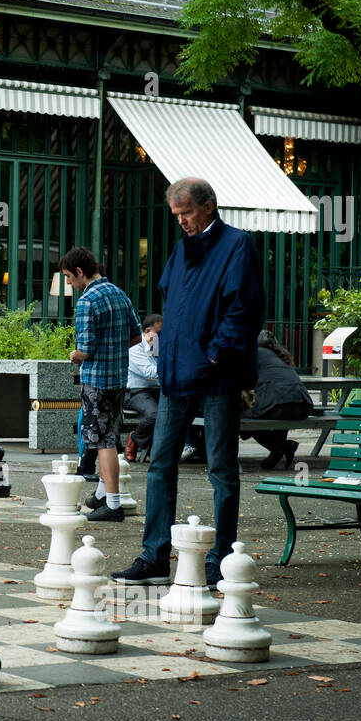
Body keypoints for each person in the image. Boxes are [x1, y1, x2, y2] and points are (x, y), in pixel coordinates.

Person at [113, 177, 265, 588]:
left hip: (218, 375)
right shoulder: (181, 249)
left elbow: (246, 311)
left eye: (188, 213)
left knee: (221, 468)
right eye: (176, 215)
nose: (181, 221)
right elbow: (170, 299)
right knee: (160, 464)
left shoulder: (238, 244)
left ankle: (221, 560)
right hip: (176, 374)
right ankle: (154, 556)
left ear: (209, 205)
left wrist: (215, 353)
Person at [61, 247, 142, 522]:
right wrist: (113, 347)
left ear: (80, 272)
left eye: (69, 277)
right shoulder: (119, 294)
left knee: (103, 440)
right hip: (119, 378)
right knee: (109, 435)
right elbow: (136, 336)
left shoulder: (87, 301)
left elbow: (86, 348)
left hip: (96, 379)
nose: (68, 283)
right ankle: (100, 495)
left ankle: (113, 503)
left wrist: (75, 355)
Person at [243, 329, 313, 469]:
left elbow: (244, 383)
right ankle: (279, 449)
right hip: (304, 405)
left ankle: (280, 447)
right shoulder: (281, 356)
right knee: (274, 410)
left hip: (281, 405)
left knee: (238, 418)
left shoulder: (254, 355)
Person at [125, 313, 162, 462]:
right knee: (155, 414)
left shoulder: (157, 346)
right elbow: (150, 373)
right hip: (136, 392)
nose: (162, 336)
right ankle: (134, 438)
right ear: (147, 331)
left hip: (157, 390)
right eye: (159, 333)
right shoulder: (135, 349)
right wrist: (172, 367)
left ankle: (159, 449)